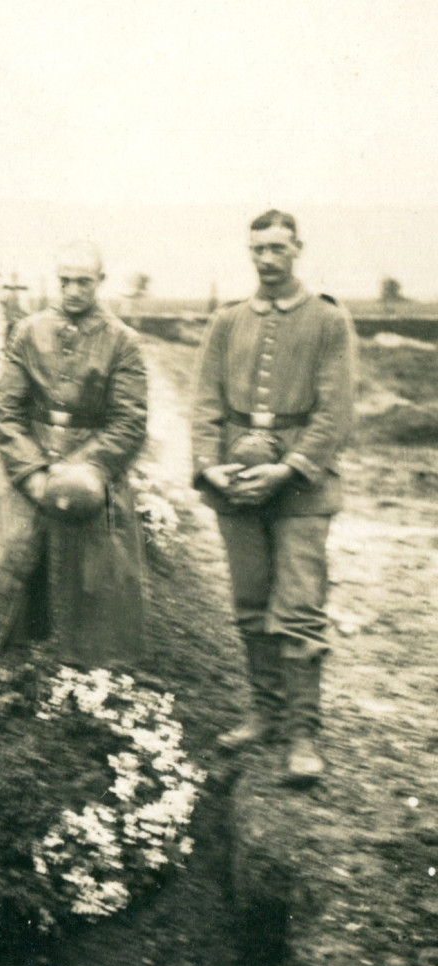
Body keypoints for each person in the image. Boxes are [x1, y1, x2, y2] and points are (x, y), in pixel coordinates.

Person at [191, 210, 358, 785]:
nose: (267, 259)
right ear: (249, 251)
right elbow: (206, 402)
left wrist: (288, 469)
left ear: (298, 249)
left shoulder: (328, 320)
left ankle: (303, 733)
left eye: (278, 247)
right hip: (237, 481)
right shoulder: (227, 320)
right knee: (249, 602)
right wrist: (209, 468)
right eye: (258, 248)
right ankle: (264, 712)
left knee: (300, 610)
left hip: (302, 489)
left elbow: (334, 412)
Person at [0, 241, 147, 669]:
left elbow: (129, 423)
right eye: (65, 281)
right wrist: (32, 472)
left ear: (100, 282)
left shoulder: (123, 342)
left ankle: (84, 663)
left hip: (91, 463)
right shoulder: (28, 331)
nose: (73, 290)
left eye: (83, 281)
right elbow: (6, 411)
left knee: (98, 563)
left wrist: (86, 470)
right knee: (7, 543)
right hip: (31, 454)